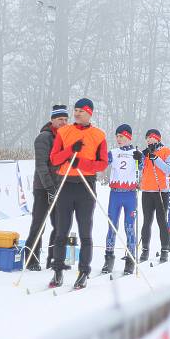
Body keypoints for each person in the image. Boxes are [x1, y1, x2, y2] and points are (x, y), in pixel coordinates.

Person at [48, 98, 108, 289]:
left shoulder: (99, 135)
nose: (77, 113)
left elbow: (103, 163)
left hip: (85, 185)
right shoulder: (64, 132)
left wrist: (80, 163)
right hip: (65, 183)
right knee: (61, 230)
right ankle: (57, 270)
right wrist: (69, 152)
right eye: (75, 110)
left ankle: (83, 271)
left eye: (81, 110)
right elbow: (54, 159)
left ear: (90, 113)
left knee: (85, 231)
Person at [24, 104, 68, 271]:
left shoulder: (65, 137)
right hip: (44, 188)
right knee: (39, 224)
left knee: (59, 225)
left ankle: (53, 259)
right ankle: (31, 259)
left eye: (65, 119)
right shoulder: (44, 137)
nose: (63, 122)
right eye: (59, 119)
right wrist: (50, 188)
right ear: (52, 120)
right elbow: (41, 165)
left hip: (60, 186)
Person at [103, 124, 140, 275]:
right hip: (115, 194)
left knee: (129, 227)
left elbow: (141, 168)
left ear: (129, 137)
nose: (118, 139)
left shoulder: (136, 153)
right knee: (112, 226)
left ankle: (130, 259)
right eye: (117, 136)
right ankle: (109, 257)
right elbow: (102, 163)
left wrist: (140, 159)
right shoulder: (113, 152)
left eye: (122, 136)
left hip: (130, 195)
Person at [139, 129, 170, 263]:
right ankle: (145, 250)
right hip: (147, 191)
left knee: (161, 221)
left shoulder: (166, 151)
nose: (148, 140)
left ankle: (165, 249)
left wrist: (156, 158)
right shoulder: (145, 152)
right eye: (147, 137)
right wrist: (139, 159)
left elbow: (169, 169)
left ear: (157, 139)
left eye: (151, 137)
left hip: (161, 191)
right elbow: (140, 168)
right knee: (146, 221)